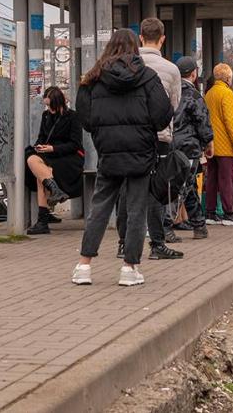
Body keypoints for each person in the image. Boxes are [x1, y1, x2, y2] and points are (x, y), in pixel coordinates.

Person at [73, 29, 173, 287]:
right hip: (141, 152)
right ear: (135, 47)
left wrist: (101, 131)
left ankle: (84, 265)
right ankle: (130, 268)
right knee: (137, 209)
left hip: (108, 152)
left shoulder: (93, 78)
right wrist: (145, 127)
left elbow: (84, 117)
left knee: (100, 207)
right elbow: (163, 114)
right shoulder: (148, 77)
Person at [133, 17, 183, 260]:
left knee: (128, 189)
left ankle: (125, 243)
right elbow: (174, 105)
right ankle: (157, 243)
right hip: (160, 137)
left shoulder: (130, 65)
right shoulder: (171, 70)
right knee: (156, 191)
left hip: (133, 136)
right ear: (162, 39)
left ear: (140, 37)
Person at [26, 87, 84, 235]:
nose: (48, 109)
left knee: (41, 177)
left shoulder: (72, 117)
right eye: (46, 106)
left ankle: (42, 221)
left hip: (68, 158)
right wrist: (40, 146)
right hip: (49, 155)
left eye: (50, 106)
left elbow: (75, 144)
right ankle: (54, 189)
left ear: (58, 103)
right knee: (32, 158)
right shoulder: (46, 116)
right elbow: (41, 137)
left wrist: (53, 148)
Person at [173, 56, 214, 239]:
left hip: (171, 145)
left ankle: (199, 224)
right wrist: (208, 143)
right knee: (183, 186)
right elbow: (203, 122)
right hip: (189, 147)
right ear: (194, 74)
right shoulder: (194, 96)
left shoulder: (170, 93)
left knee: (185, 185)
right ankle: (166, 226)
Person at [204, 63, 233, 226]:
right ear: (228, 78)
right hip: (226, 145)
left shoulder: (209, 94)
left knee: (212, 179)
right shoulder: (227, 94)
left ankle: (210, 212)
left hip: (212, 145)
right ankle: (229, 213)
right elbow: (231, 121)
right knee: (228, 179)